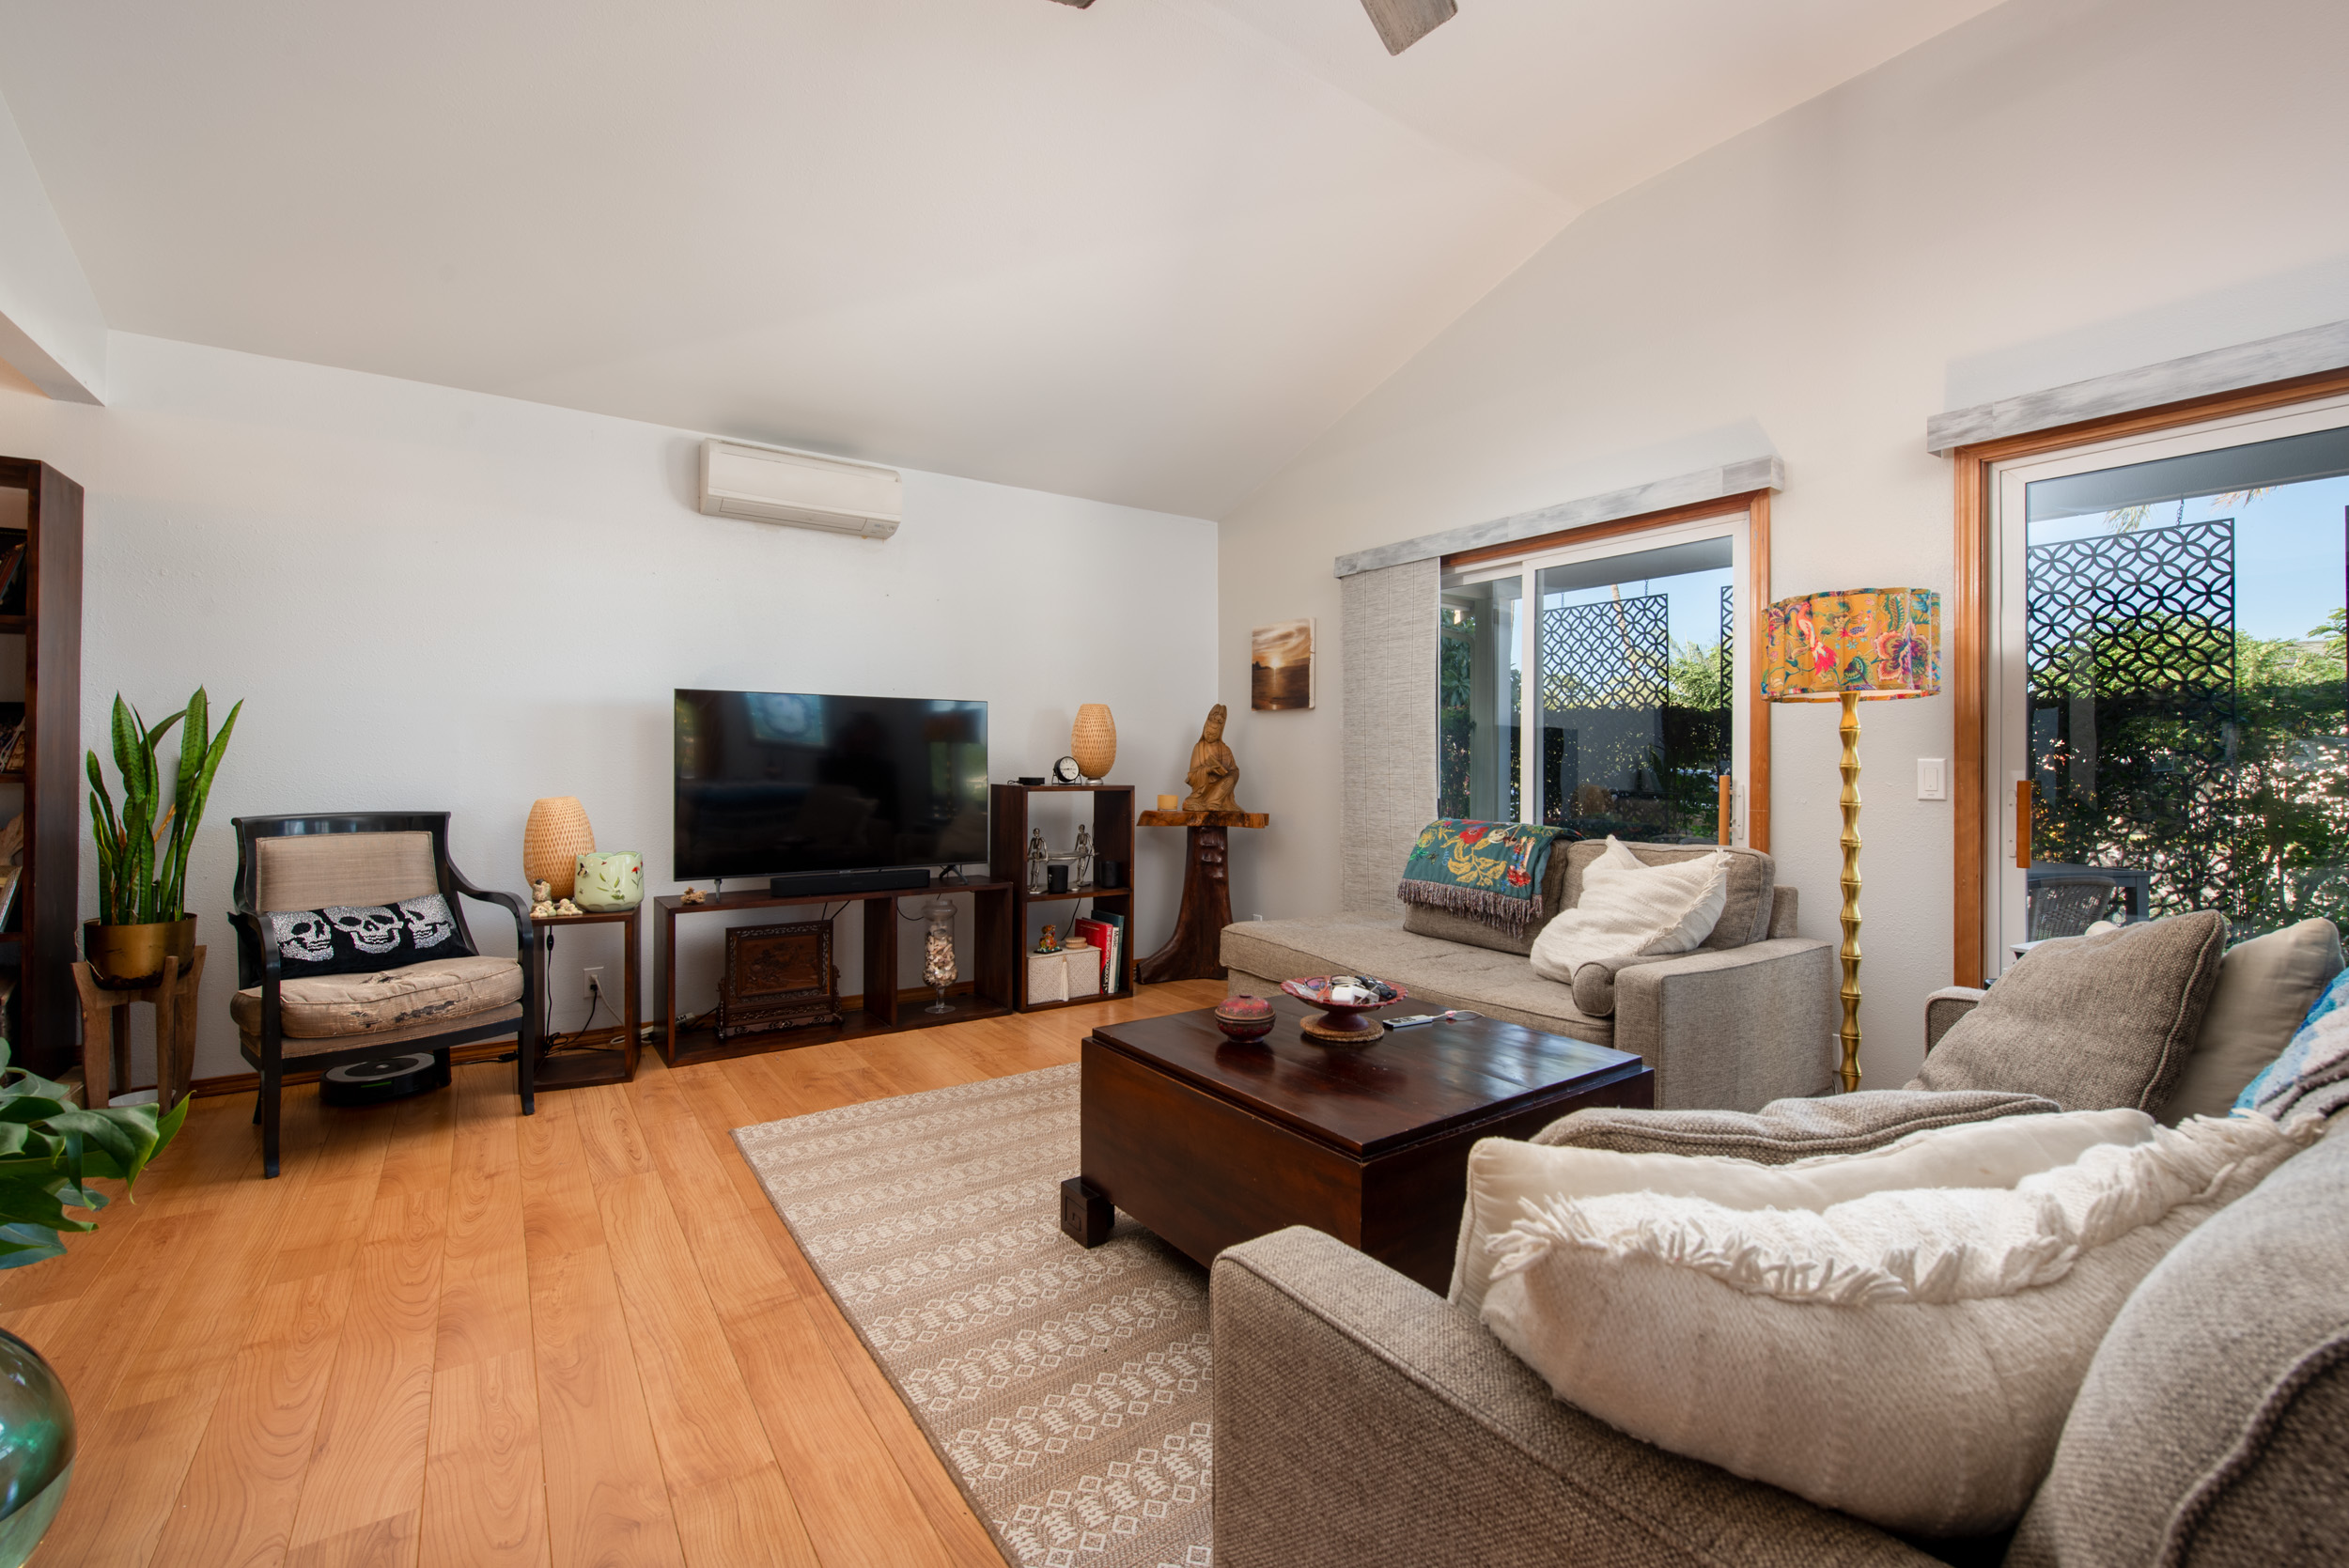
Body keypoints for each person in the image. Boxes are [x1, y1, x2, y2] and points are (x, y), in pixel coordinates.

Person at [1181, 704, 1241, 812]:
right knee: (1188, 803)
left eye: (1213, 735)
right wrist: (1208, 769)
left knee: (1229, 781)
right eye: (1208, 733)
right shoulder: (1198, 748)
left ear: (1219, 734)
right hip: (1202, 791)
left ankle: (1213, 803)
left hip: (1220, 789)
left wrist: (1231, 777)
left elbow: (1235, 770)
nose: (1209, 736)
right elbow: (1192, 775)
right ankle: (1209, 804)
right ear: (1204, 729)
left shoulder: (1225, 749)